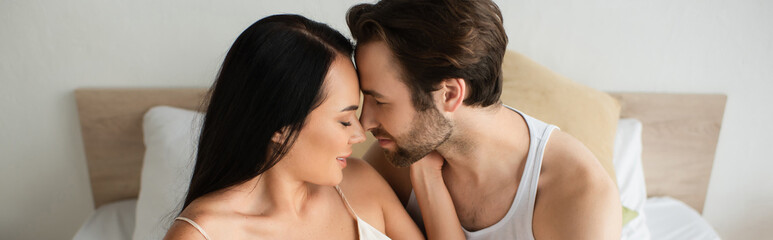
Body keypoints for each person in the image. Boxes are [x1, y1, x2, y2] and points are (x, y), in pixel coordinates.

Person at [164, 14, 462, 240]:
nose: (360, 135)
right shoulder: (204, 234)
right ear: (279, 128)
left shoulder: (360, 184)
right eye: (344, 120)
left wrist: (425, 172)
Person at [347, 0, 623, 239]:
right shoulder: (398, 154)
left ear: (450, 94)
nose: (364, 122)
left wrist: (428, 183)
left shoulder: (577, 196)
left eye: (380, 101)